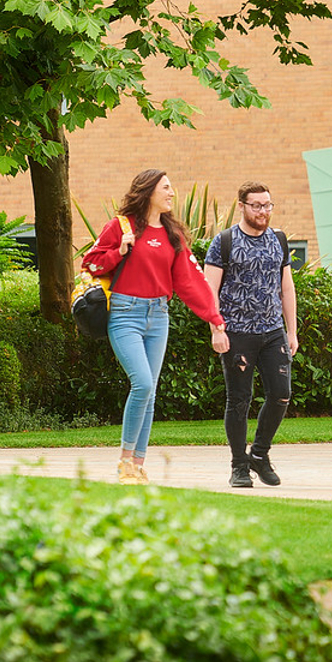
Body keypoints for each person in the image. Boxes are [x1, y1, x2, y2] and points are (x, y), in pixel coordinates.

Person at [81, 169, 228, 485]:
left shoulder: (173, 235)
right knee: (143, 384)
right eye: (166, 187)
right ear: (148, 192)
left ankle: (138, 463)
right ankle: (124, 463)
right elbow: (90, 263)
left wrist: (215, 321)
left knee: (150, 392)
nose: (172, 192)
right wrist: (118, 252)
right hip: (124, 314)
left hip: (158, 315)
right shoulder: (121, 227)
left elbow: (191, 282)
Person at [204, 181, 299, 488]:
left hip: (273, 332)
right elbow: (209, 291)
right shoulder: (225, 242)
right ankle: (238, 465)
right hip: (237, 334)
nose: (263, 211)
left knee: (281, 394)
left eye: (268, 205)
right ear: (242, 206)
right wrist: (217, 329)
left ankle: (259, 454)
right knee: (239, 400)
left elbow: (286, 288)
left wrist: (292, 331)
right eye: (256, 205)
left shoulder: (279, 240)